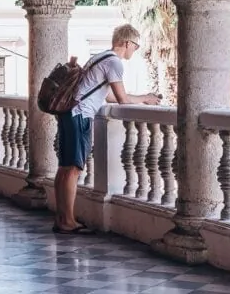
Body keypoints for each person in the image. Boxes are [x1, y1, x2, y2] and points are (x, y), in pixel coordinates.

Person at [53, 24, 161, 234]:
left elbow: (106, 95)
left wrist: (142, 99)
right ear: (127, 42)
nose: (134, 51)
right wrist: (146, 98)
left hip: (69, 112)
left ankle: (61, 218)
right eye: (136, 46)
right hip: (80, 115)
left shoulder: (99, 57)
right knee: (73, 169)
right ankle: (67, 221)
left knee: (64, 168)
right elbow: (121, 99)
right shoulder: (115, 63)